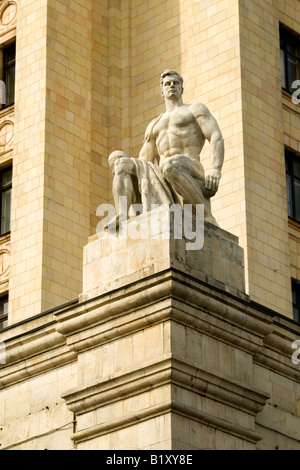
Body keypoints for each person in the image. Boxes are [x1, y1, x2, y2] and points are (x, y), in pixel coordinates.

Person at [106, 69, 224, 230]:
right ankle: (122, 215)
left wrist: (215, 169)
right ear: (162, 90)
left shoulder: (194, 110)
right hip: (163, 171)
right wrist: (127, 167)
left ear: (182, 88)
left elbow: (215, 136)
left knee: (169, 164)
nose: (172, 86)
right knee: (121, 163)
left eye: (176, 83)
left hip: (189, 166)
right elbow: (145, 159)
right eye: (167, 84)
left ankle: (205, 216)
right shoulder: (155, 124)